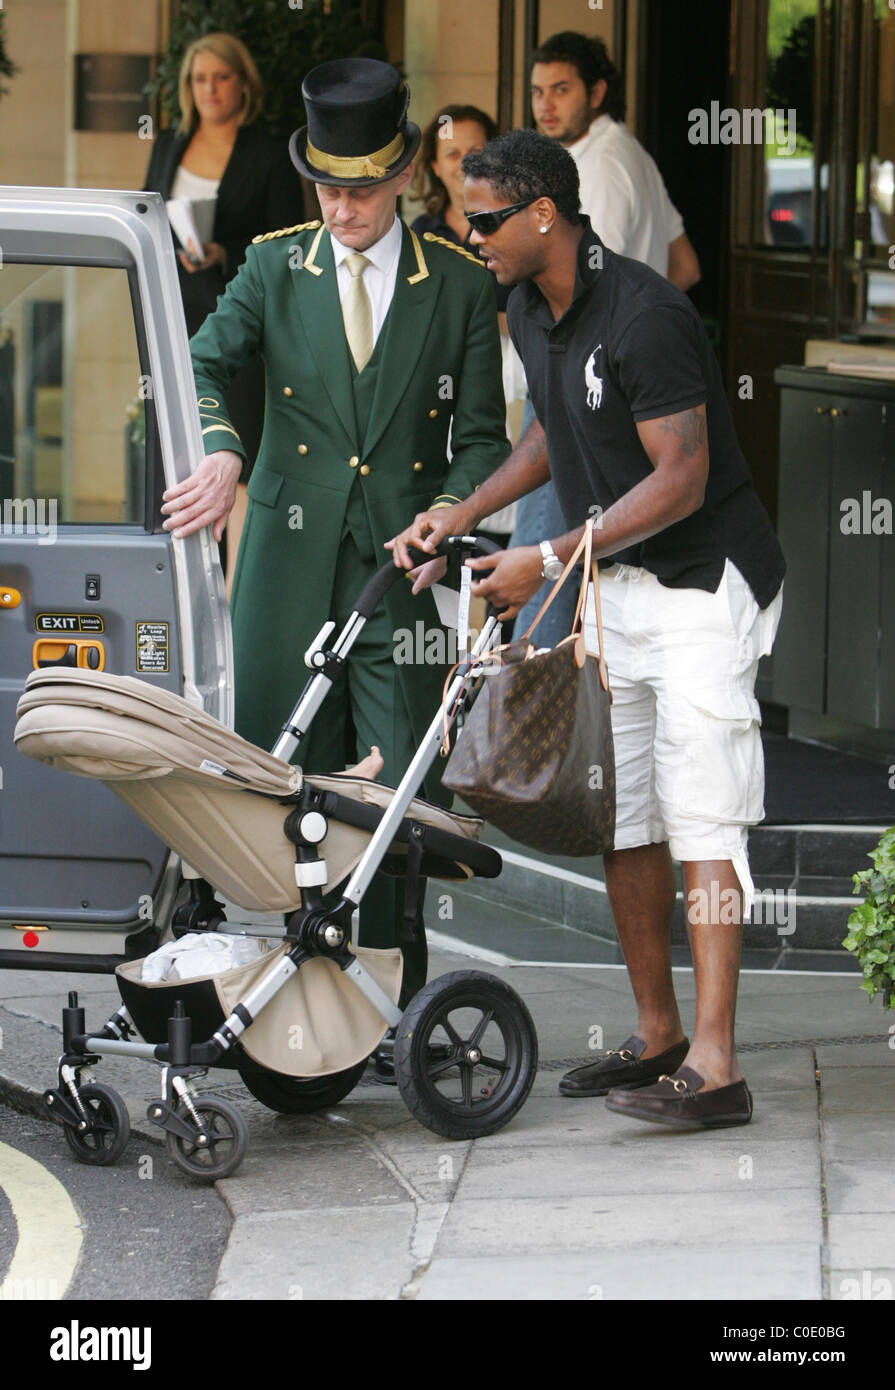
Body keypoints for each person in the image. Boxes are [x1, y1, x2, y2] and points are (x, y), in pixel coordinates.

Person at [389, 129, 786, 1131]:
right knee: (626, 813)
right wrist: (459, 509)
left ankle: (716, 1062)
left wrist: (552, 555)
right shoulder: (528, 304)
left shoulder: (646, 314)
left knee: (703, 817)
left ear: (541, 215)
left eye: (481, 219)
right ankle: (654, 1036)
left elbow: (681, 475)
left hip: (703, 586)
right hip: (619, 582)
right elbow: (546, 431)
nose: (466, 232)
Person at [159, 58, 509, 1026]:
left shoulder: (462, 286)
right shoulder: (273, 265)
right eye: (325, 184)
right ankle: (281, 992)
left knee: (397, 783)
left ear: (403, 177)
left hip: (398, 570)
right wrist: (225, 450)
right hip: (283, 560)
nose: (341, 205)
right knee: (281, 768)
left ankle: (394, 999)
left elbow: (480, 436)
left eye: (359, 186)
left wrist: (446, 513)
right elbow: (198, 363)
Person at [512, 30, 701, 645]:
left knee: (543, 574)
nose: (546, 104)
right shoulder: (633, 155)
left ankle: (514, 726)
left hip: (589, 388)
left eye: (562, 89)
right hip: (611, 391)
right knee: (573, 568)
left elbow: (592, 287)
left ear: (597, 91)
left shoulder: (602, 167)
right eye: (538, 91)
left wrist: (629, 340)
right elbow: (684, 266)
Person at [143, 31, 304, 577]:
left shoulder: (269, 151)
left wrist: (222, 251)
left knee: (230, 452)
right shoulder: (170, 142)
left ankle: (230, 591)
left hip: (240, 327)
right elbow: (145, 218)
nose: (209, 89)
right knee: (172, 455)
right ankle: (178, 580)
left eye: (221, 77)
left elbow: (287, 243)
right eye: (198, 78)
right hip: (173, 310)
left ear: (243, 82)